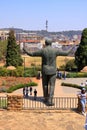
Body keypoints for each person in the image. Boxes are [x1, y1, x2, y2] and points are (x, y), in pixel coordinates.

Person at [23, 38, 74, 106]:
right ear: (51, 43)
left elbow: (31, 54)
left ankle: (46, 98)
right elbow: (66, 53)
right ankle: (50, 100)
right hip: (52, 70)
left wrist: (25, 50)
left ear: (45, 43)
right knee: (52, 85)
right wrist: (72, 47)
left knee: (45, 85)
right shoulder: (55, 50)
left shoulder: (43, 50)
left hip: (45, 70)